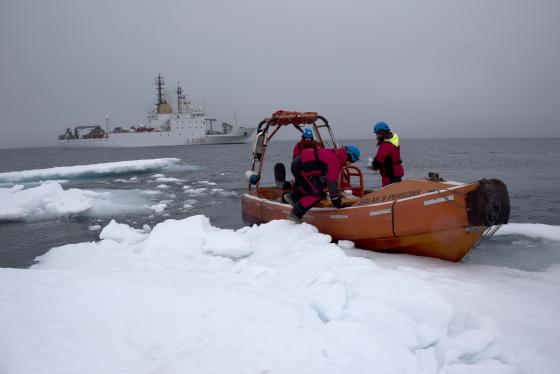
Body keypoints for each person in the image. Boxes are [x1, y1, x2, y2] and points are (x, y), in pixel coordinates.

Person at [285, 144, 361, 223]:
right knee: (318, 194)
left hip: (301, 164)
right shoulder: (335, 161)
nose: (351, 163)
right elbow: (332, 182)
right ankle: (295, 213)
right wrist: (337, 202)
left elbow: (328, 178)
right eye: (352, 160)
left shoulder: (335, 155)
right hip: (300, 168)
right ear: (348, 156)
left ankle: (292, 197)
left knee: (316, 185)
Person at [368, 121, 404, 187]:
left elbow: (378, 161)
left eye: (377, 134)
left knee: (390, 194)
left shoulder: (385, 144)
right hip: (397, 173)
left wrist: (372, 165)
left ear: (381, 133)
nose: (376, 136)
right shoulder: (393, 142)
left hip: (390, 176)